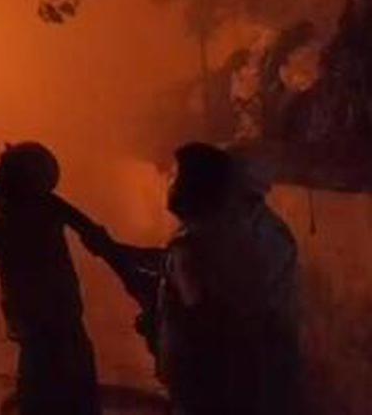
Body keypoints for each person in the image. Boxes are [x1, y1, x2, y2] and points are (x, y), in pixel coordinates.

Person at [75, 143, 302, 415]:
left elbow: (205, 312)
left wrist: (126, 271)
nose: (170, 181)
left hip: (212, 384)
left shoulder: (234, 238)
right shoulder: (219, 232)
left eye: (176, 175)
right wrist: (115, 251)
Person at [0, 142, 101, 415]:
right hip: (71, 345)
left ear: (15, 186)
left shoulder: (6, 227)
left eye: (1, 171)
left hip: (45, 353)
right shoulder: (44, 211)